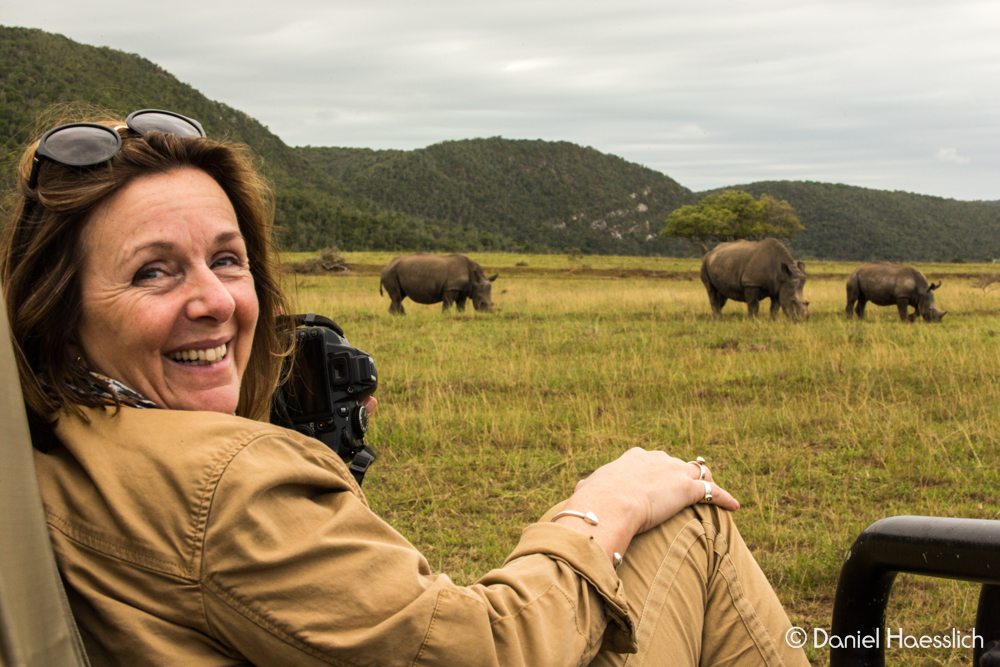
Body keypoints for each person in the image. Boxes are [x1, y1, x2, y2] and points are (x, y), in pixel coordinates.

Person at [1, 108, 809, 666]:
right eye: (153, 271)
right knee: (693, 522)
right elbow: (478, 649)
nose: (216, 299)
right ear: (59, 310)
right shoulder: (229, 489)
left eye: (227, 258)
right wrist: (601, 507)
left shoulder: (45, 439)